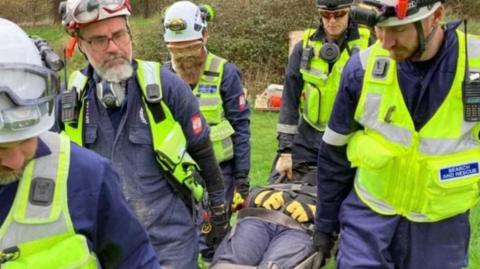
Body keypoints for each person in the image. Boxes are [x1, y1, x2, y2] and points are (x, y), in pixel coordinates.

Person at [57, 0, 228, 268]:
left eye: (119, 35)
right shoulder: (71, 102)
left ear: (130, 32)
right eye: (99, 40)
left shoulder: (167, 88)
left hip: (171, 247)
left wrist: (219, 214)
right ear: (80, 45)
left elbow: (204, 154)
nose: (113, 47)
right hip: (103, 250)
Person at [314, 0, 480, 268]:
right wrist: (324, 226)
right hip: (367, 221)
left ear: (437, 16)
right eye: (380, 29)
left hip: (440, 230)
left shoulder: (476, 67)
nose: (386, 42)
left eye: (399, 29)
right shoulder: (361, 69)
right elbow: (333, 154)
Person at [0, 18, 160, 268]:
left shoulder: (86, 176)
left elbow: (136, 258)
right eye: (1, 147)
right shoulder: (75, 91)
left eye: (26, 138)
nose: (15, 160)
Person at [162, 1, 251, 212]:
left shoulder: (225, 73)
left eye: (191, 48)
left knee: (213, 232)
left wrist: (242, 178)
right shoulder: (162, 76)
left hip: (221, 173)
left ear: (205, 36)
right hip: (178, 172)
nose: (185, 58)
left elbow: (241, 127)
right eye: (177, 51)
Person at [273, 0, 372, 182]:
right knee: (277, 187)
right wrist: (285, 150)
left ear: (350, 11)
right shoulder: (304, 48)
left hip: (350, 140)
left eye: (339, 14)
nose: (332, 21)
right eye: (326, 15)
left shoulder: (370, 46)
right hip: (308, 137)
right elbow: (289, 100)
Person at [211, 171, 318, 269]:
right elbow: (254, 194)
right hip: (260, 217)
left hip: (301, 227)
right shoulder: (286, 165)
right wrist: (259, 195)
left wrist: (319, 212)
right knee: (226, 265)